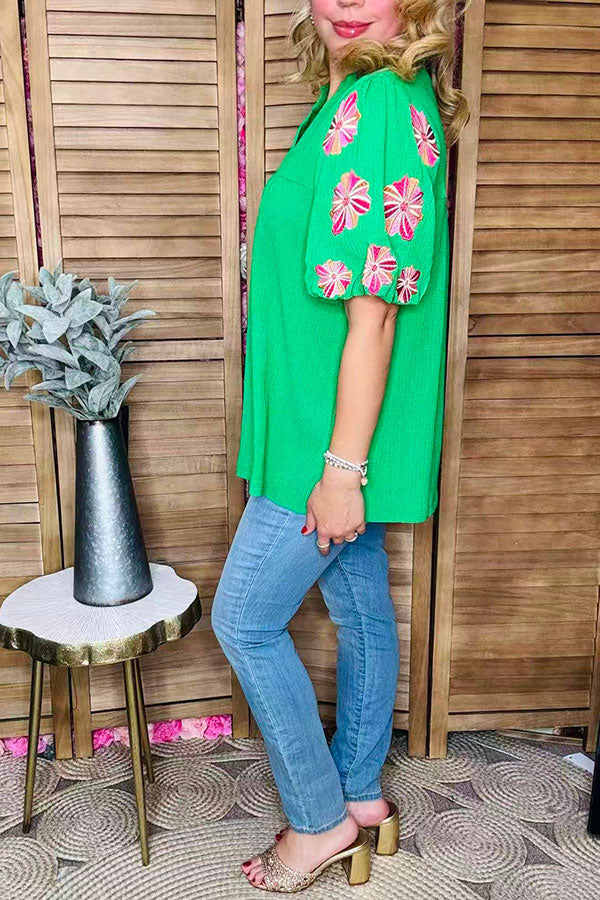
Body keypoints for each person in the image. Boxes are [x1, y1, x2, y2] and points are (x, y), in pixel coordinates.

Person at [211, 0, 469, 891]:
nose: (347, 4)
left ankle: (319, 822)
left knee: (244, 620)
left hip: (326, 442)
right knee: (360, 610)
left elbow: (375, 314)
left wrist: (341, 469)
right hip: (326, 428)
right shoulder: (360, 100)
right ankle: (360, 797)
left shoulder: (382, 105)